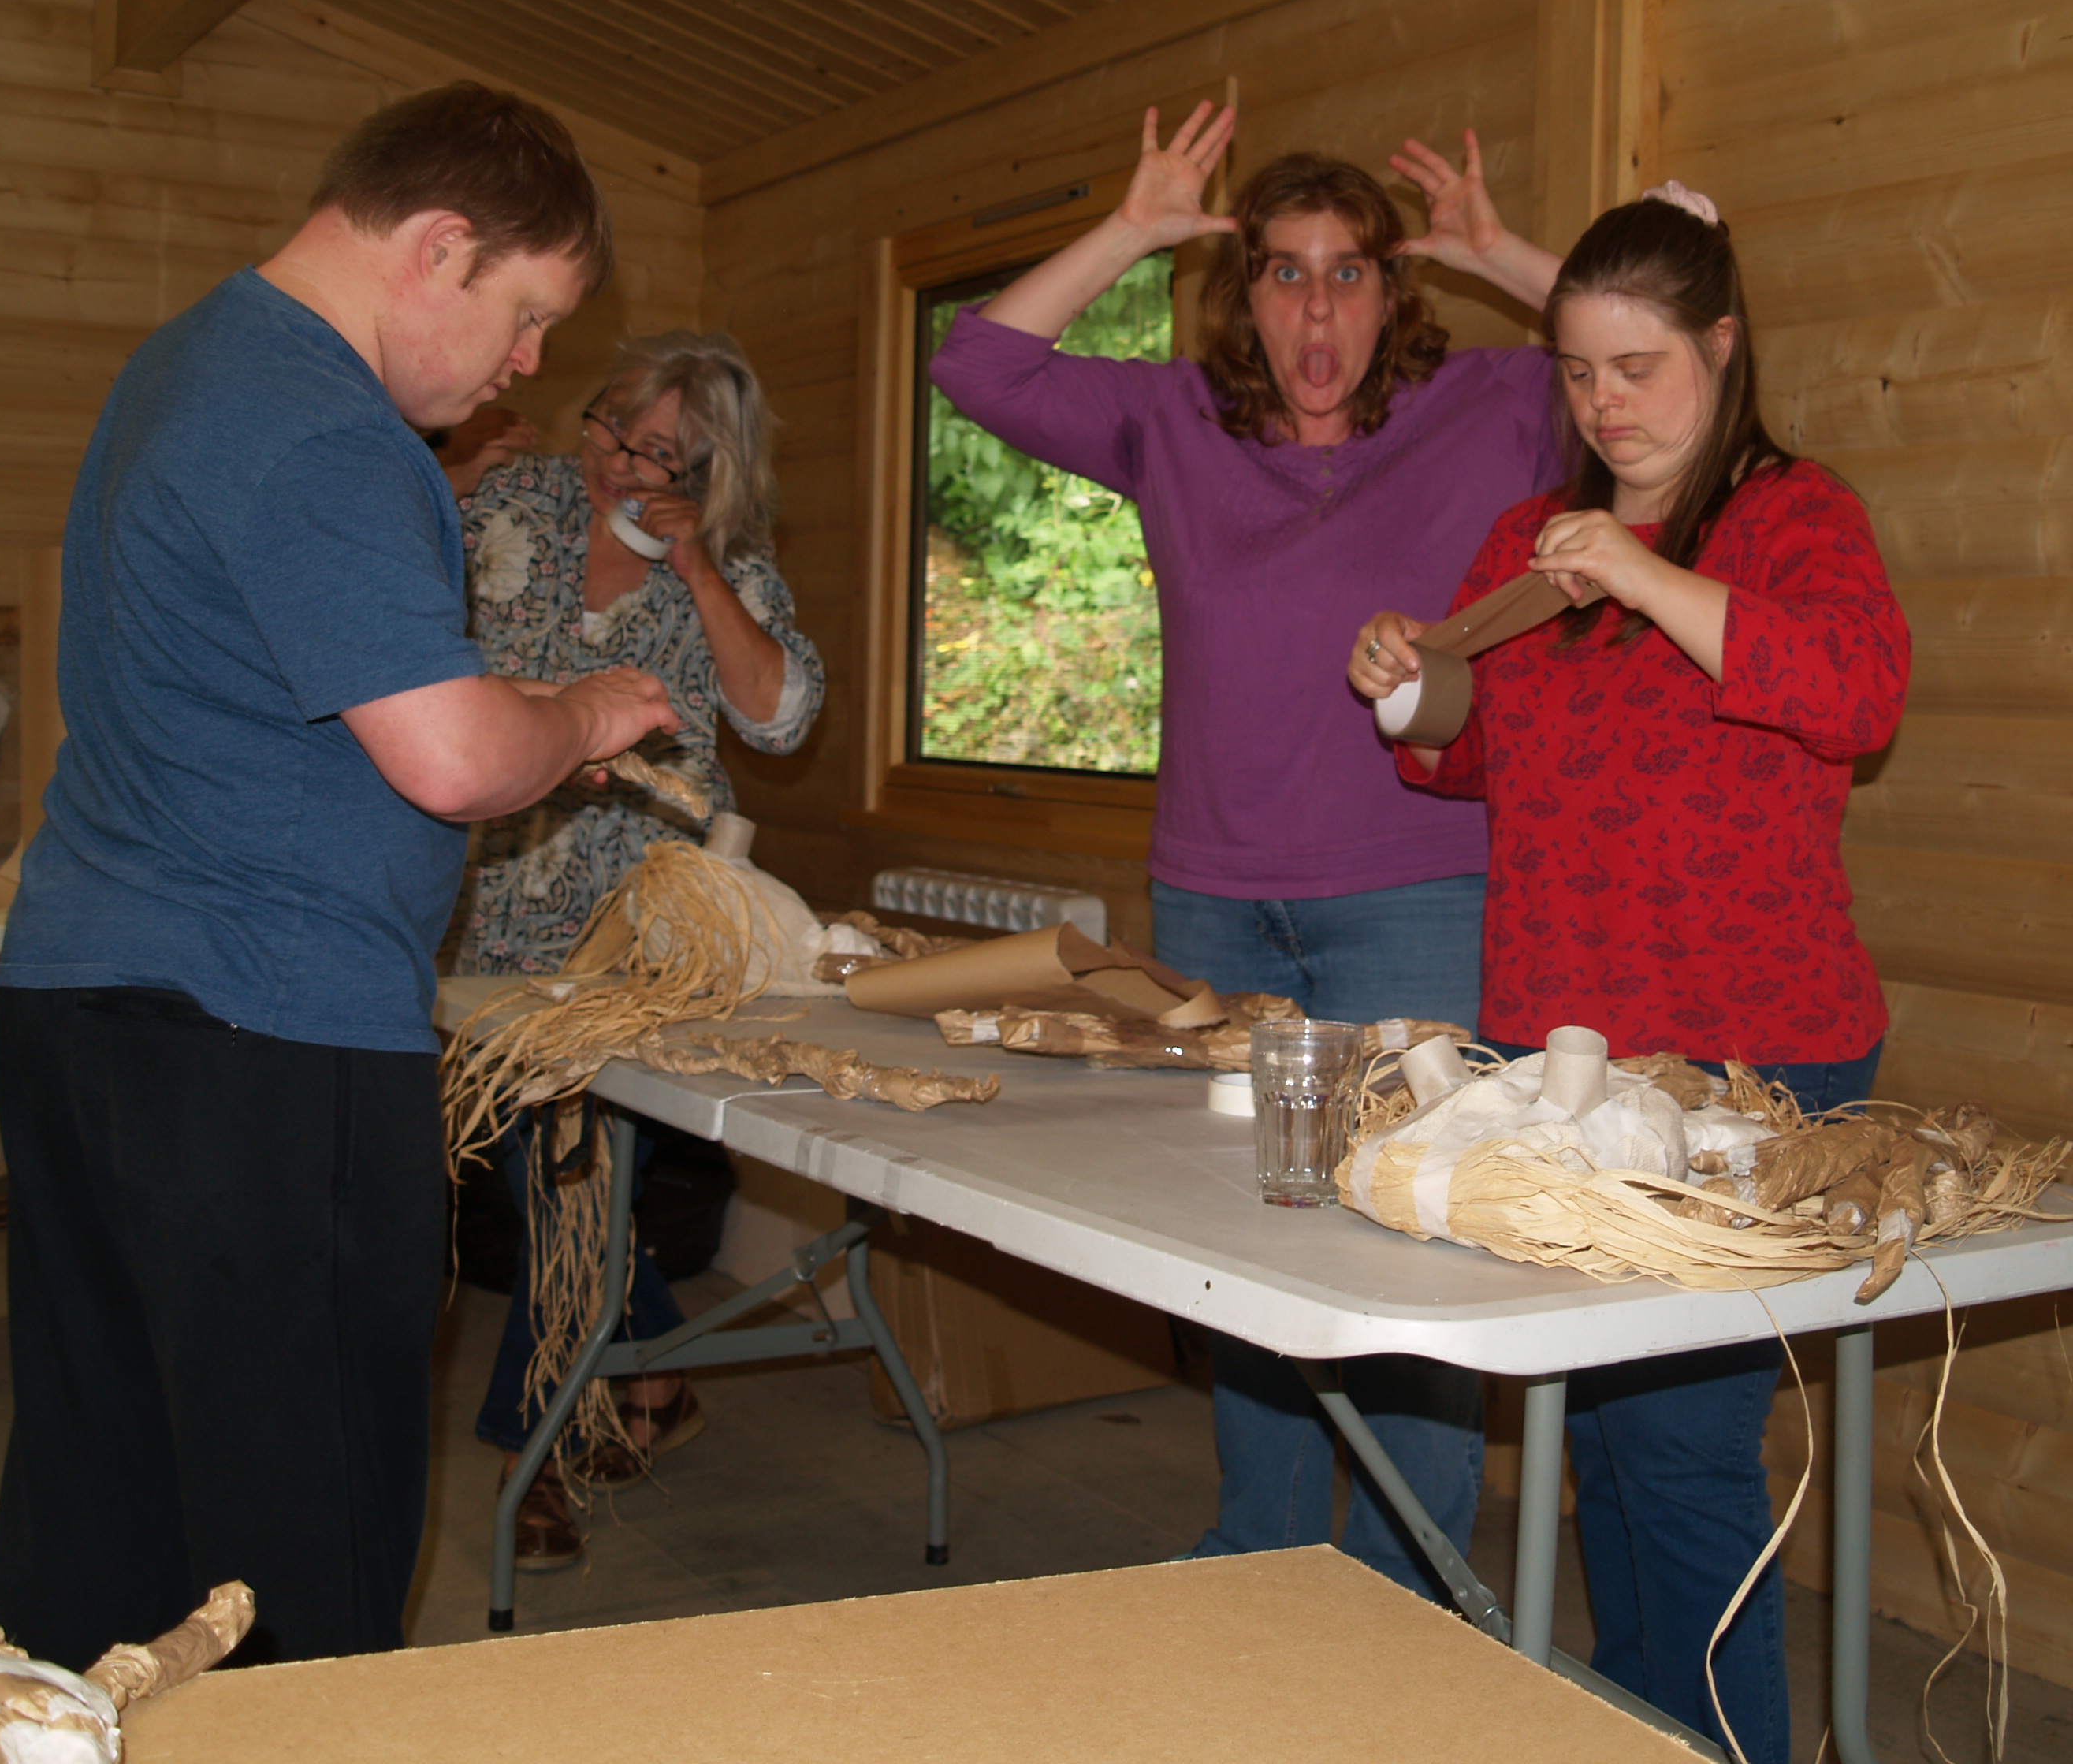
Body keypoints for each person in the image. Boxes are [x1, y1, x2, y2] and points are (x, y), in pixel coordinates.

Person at [0, 84, 679, 1670]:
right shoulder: (324, 424)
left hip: (92, 1006)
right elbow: (448, 760)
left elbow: (290, 687)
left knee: (108, 1504)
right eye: (525, 315)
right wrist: (580, 715)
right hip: (262, 1040)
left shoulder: (191, 362)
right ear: (438, 247)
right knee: (296, 1550)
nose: (527, 364)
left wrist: (514, 717)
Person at [929, 103, 1563, 1601]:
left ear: (1394, 293)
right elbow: (975, 366)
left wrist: (1499, 254)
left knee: (1414, 1238)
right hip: (1214, 898)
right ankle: (1260, 1564)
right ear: (1246, 294)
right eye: (1285, 273)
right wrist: (1130, 227)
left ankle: (1410, 1590)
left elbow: (1659, 341)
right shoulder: (1174, 423)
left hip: (1416, 893)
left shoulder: (1492, 405)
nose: (1317, 310)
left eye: (1350, 273)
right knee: (1245, 1239)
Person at [1348, 186, 1911, 1762]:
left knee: (1681, 1450)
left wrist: (1651, 576)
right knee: (1609, 1437)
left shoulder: (1799, 518)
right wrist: (1408, 685)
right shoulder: (1531, 545)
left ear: (1722, 350)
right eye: (1582, 373)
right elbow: (1479, 758)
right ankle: (1643, 1730)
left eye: (1640, 368)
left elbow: (1856, 696)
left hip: (1750, 1055)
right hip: (1562, 1048)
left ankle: (1729, 1742)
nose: (1608, 404)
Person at [448, 331, 824, 1568]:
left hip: (642, 929)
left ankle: (534, 1448)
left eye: (658, 451)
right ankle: (653, 1373)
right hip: (483, 905)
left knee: (571, 1176)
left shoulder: (734, 562)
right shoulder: (512, 499)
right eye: (611, 426)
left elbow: (780, 717)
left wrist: (702, 564)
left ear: (711, 470)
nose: (617, 461)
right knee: (553, 1180)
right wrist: (443, 471)